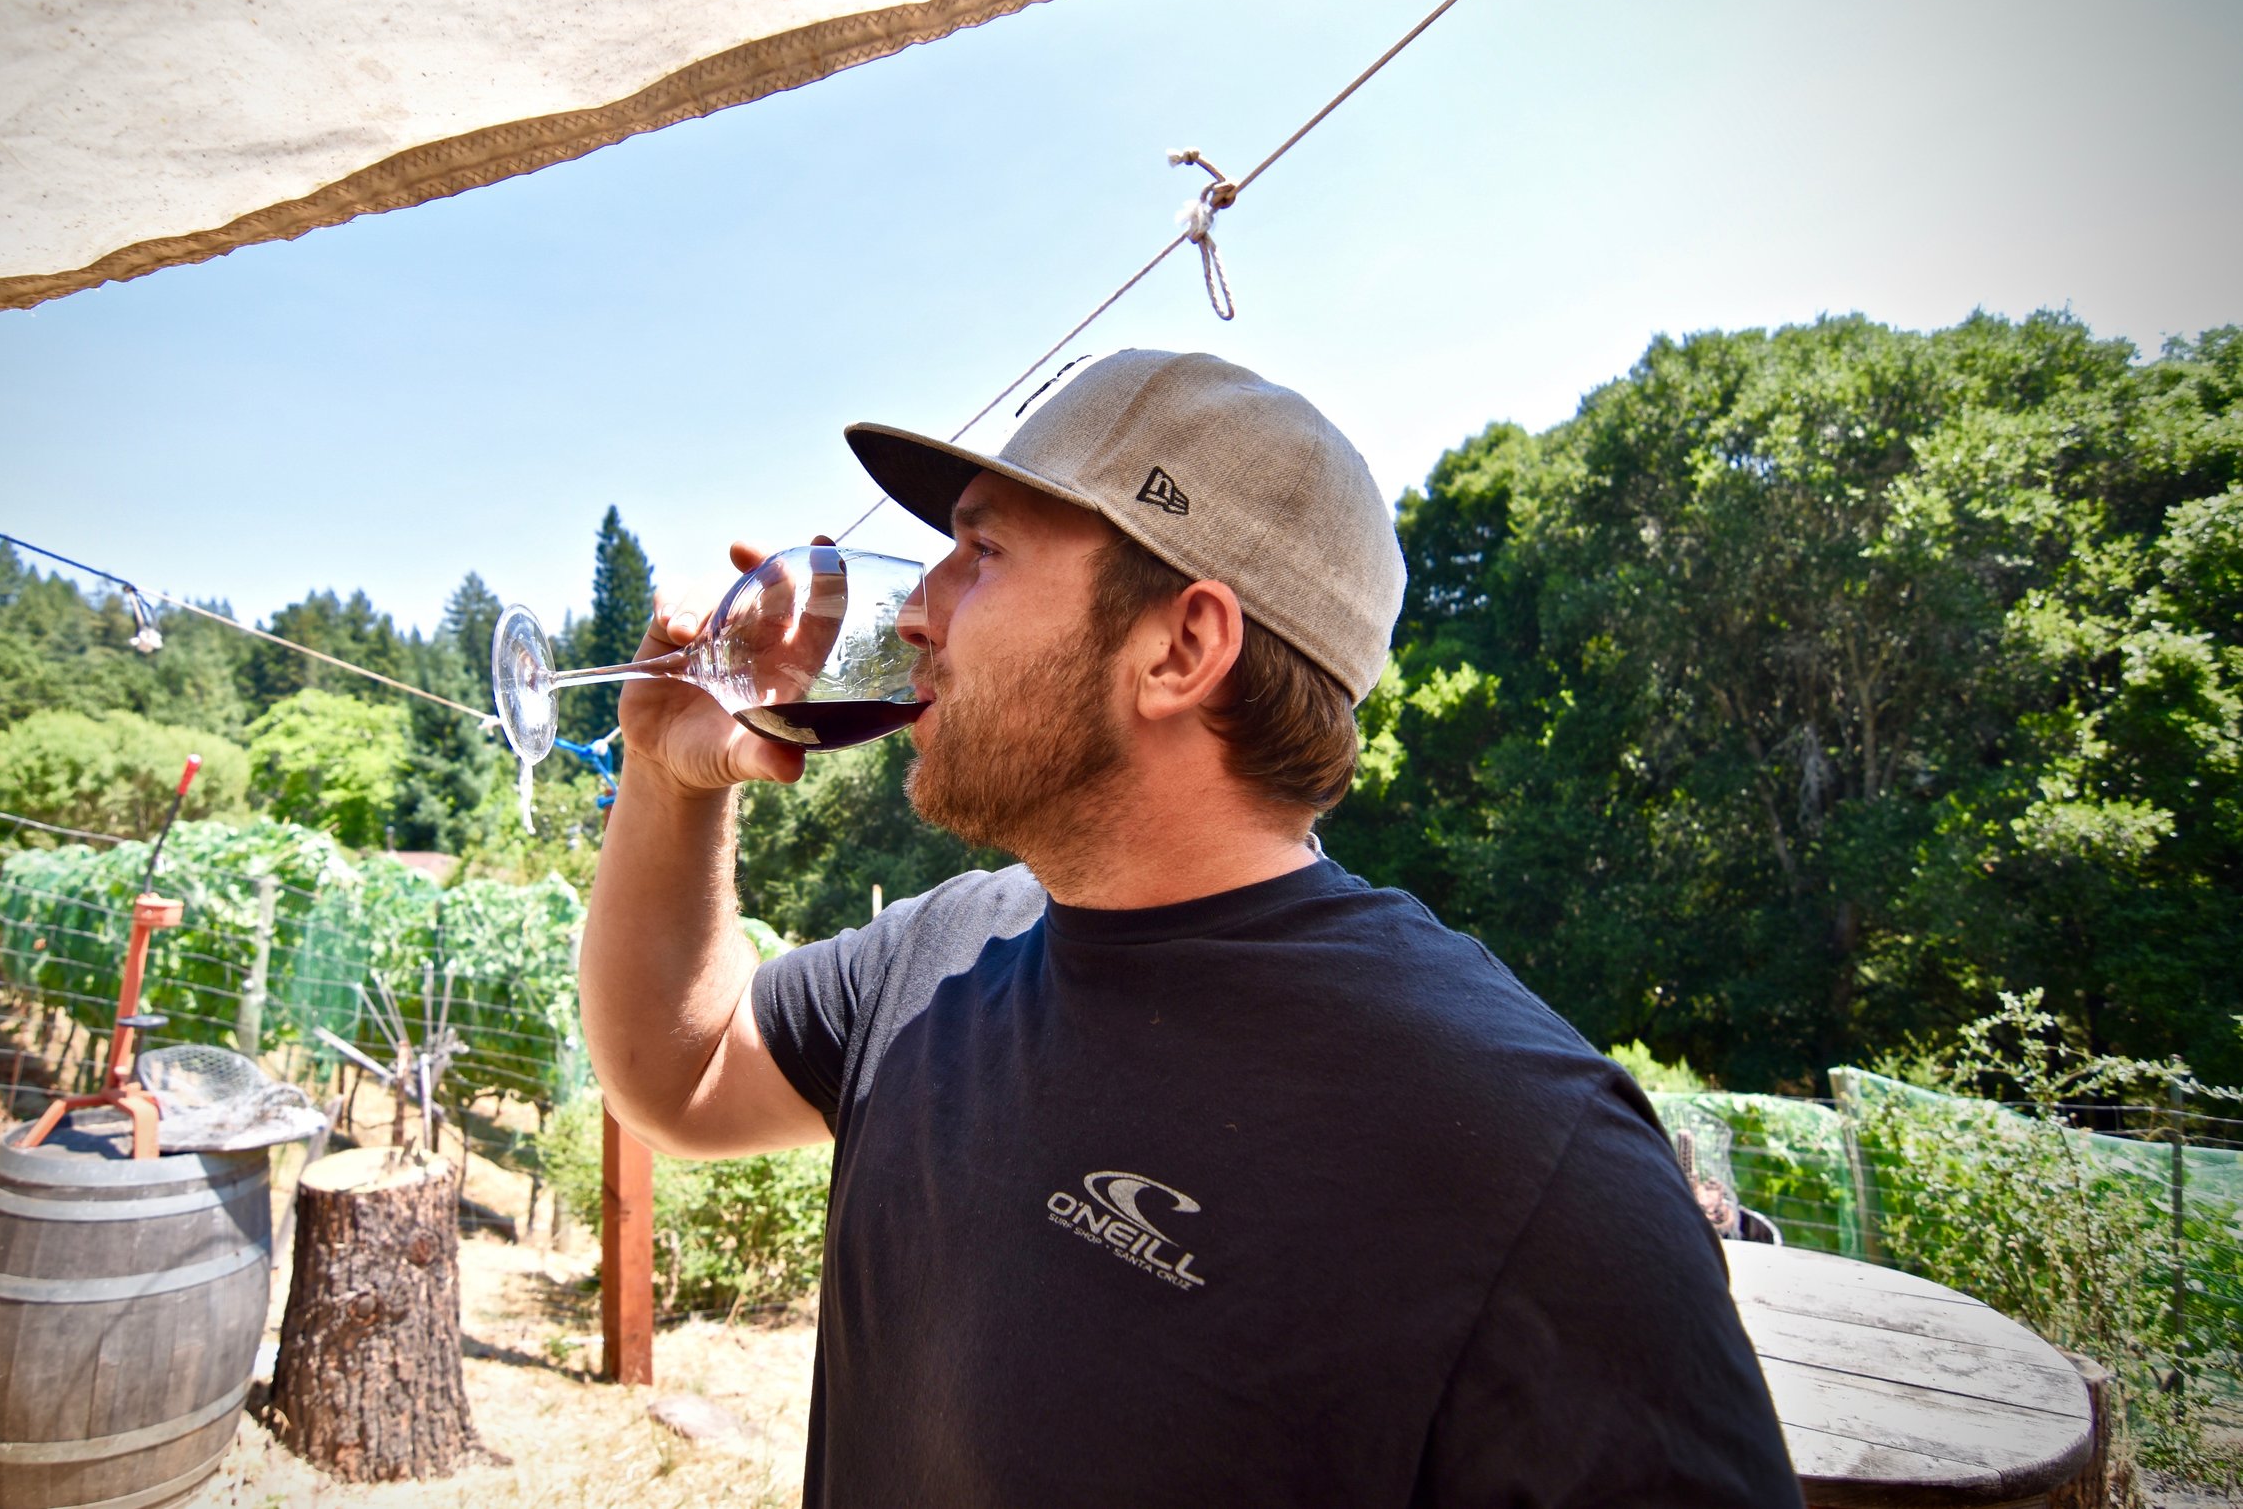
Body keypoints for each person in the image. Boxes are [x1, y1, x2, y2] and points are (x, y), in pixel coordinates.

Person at [580, 350, 1803, 1507]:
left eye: (981, 552)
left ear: (1181, 646)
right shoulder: (939, 953)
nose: (915, 611)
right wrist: (670, 780)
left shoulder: (1535, 1163)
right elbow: (678, 1072)